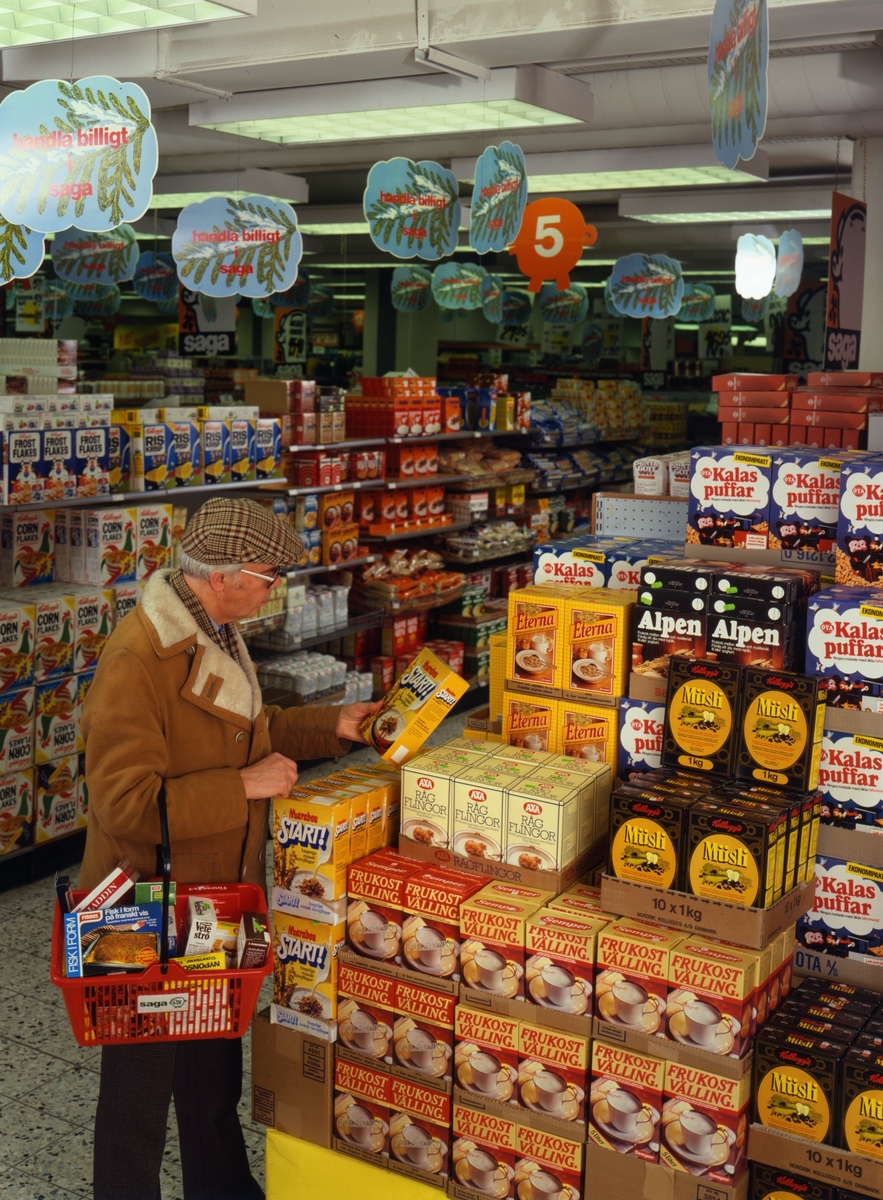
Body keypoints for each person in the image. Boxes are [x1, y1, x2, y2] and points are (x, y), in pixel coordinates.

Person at [79, 496, 380, 1200]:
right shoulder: (137, 657)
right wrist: (241, 786)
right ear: (223, 576)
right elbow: (121, 803)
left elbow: (245, 727)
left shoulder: (211, 627)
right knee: (139, 1086)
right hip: (136, 905)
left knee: (212, 1065)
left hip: (210, 893)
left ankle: (221, 1188)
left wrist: (331, 725)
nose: (277, 588)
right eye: (270, 576)